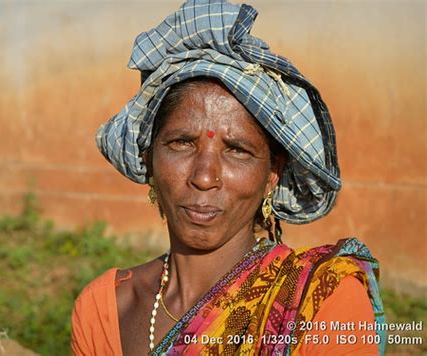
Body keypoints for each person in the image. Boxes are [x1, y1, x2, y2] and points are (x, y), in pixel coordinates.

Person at [71, 1, 386, 355]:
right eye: (181, 143)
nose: (204, 178)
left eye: (237, 150)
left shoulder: (321, 303)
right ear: (150, 161)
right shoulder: (107, 309)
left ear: (272, 174)